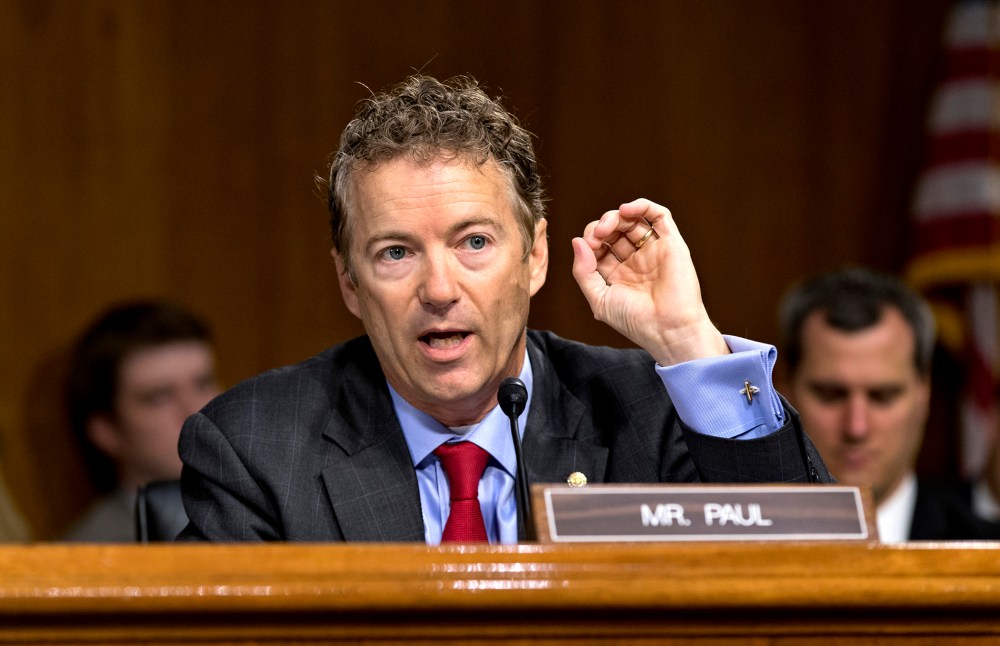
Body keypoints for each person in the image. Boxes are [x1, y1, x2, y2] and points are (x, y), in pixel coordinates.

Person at [178, 74, 831, 544]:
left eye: (475, 242)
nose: (439, 288)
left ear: (537, 256)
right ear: (349, 282)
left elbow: (812, 573)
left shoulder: (655, 415)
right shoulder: (257, 447)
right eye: (396, 253)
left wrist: (690, 343)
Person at [778, 266, 1000, 542]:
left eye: (883, 396)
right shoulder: (733, 550)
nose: (856, 427)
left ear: (924, 394)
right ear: (785, 396)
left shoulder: (988, 555)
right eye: (830, 395)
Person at [62, 300, 221, 542]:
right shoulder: (85, 557)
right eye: (160, 397)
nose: (197, 410)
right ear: (106, 431)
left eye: (203, 383)